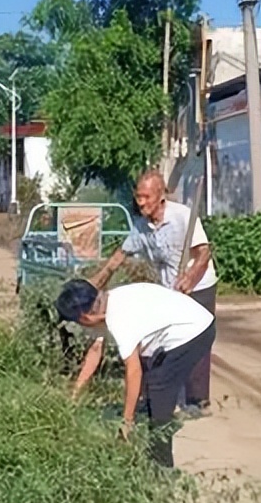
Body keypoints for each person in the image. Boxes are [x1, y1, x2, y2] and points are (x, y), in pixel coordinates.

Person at [88, 171, 218, 416]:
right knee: (163, 342)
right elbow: (119, 256)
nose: (141, 202)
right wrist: (96, 282)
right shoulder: (141, 227)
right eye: (139, 197)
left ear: (161, 196)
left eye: (146, 197)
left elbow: (203, 253)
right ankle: (159, 397)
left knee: (195, 338)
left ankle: (198, 400)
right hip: (170, 289)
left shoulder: (182, 216)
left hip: (198, 285)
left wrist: (191, 277)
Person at [56, 278, 216, 468]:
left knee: (159, 391)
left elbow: (133, 371)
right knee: (154, 389)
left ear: (85, 317)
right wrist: (74, 395)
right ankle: (149, 435)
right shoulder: (106, 303)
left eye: (77, 321)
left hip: (194, 331)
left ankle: (161, 467)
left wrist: (127, 422)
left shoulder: (119, 319)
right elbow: (95, 351)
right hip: (190, 324)